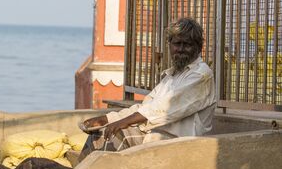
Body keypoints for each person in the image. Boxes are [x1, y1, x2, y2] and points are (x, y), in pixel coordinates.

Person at [79, 17, 216, 161]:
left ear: (199, 47)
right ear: (169, 45)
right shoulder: (172, 76)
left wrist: (122, 122)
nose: (181, 49)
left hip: (178, 144)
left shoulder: (201, 75)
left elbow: (164, 109)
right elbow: (145, 107)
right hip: (156, 137)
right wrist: (108, 118)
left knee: (113, 138)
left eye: (187, 44)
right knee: (99, 134)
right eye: (177, 44)